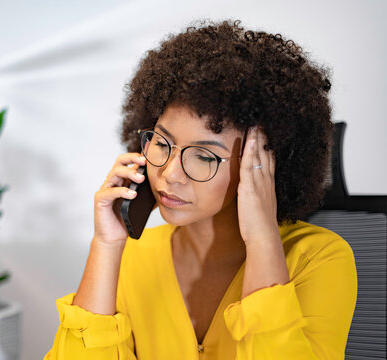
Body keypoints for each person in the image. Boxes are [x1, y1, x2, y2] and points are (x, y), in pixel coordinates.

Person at [43, 20, 357, 359]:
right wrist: (106, 245)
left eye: (204, 156)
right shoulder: (132, 257)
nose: (170, 173)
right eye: (162, 142)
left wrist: (263, 240)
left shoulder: (318, 258)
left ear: (264, 166)